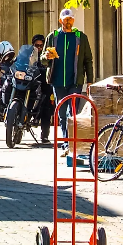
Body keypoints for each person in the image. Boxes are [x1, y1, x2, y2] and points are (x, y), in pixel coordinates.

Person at [44, 9, 94, 150]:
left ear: (73, 20)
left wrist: (89, 80)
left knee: (72, 113)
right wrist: (46, 57)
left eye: (70, 19)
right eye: (66, 19)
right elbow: (42, 59)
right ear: (61, 21)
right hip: (58, 81)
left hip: (75, 81)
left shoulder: (80, 37)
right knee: (62, 114)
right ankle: (66, 141)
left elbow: (88, 60)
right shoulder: (53, 36)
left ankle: (71, 143)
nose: (68, 22)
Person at [30, 34, 55, 143]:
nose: (39, 48)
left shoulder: (47, 55)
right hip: (32, 84)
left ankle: (45, 135)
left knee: (46, 108)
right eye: (37, 45)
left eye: (41, 45)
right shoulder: (29, 55)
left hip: (45, 85)